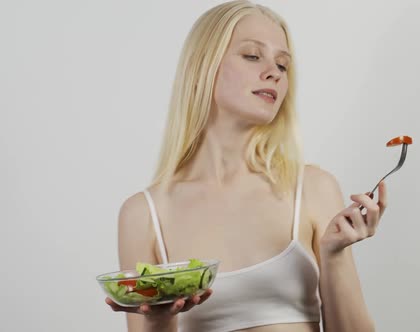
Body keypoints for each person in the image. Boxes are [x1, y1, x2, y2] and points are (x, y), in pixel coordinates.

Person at [105, 1, 388, 331]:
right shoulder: (142, 215)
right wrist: (159, 320)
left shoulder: (313, 188)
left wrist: (335, 256)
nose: (274, 73)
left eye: (283, 65)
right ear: (202, 67)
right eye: (253, 56)